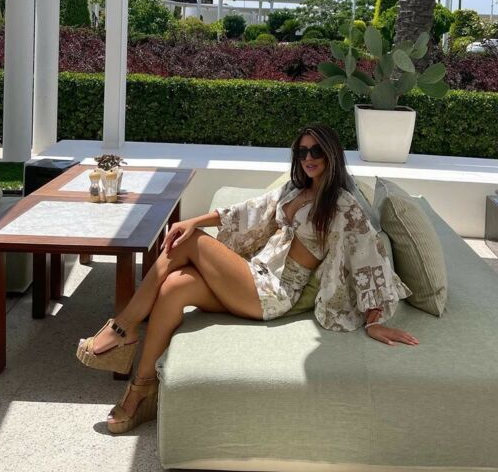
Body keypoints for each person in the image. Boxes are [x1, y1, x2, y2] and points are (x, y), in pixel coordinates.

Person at [76, 123, 418, 434]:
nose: (308, 158)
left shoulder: (343, 205)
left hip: (275, 292)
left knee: (189, 241)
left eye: (316, 151)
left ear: (331, 154)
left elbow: (369, 256)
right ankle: (142, 391)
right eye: (302, 152)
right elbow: (250, 210)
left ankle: (123, 328)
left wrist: (375, 319)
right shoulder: (294, 189)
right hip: (256, 274)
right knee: (175, 286)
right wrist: (196, 219)